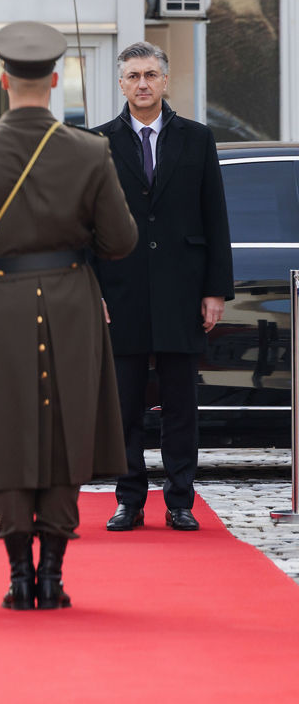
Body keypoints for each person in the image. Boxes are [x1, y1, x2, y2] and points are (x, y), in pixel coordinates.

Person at [0, 21, 136, 610]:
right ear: (53, 79)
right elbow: (120, 240)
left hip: (3, 305)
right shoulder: (90, 150)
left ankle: (20, 577)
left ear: (1, 80)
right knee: (67, 433)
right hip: (73, 302)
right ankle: (52, 575)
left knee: (10, 433)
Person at [92, 42, 233, 532]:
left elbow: (215, 216)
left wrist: (215, 290)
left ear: (165, 81)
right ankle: (129, 500)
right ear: (121, 84)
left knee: (180, 405)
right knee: (124, 406)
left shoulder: (197, 138)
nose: (143, 84)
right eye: (133, 76)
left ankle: (180, 501)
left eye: (150, 74)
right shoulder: (98, 143)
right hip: (121, 290)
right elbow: (84, 224)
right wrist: (93, 290)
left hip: (182, 290)